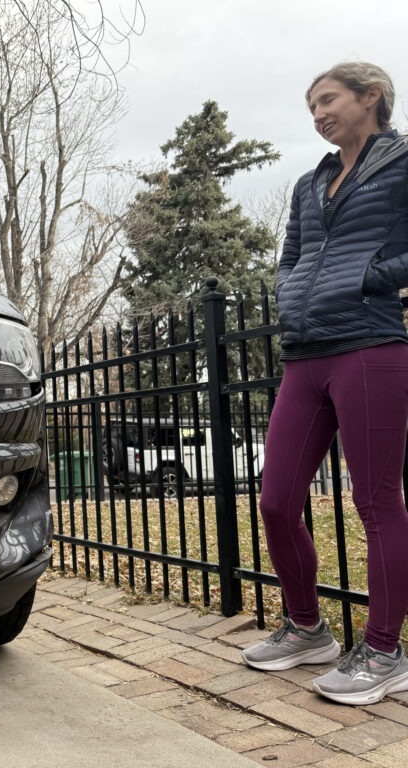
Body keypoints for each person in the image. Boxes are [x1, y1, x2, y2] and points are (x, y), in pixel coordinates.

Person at [241, 61, 408, 706]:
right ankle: (308, 629)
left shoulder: (400, 162)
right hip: (306, 354)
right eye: (312, 106)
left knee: (376, 501)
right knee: (277, 499)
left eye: (328, 100)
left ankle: (386, 650)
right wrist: (289, 289)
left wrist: (373, 276)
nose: (318, 114)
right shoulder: (311, 182)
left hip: (371, 346)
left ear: (372, 97)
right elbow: (290, 255)